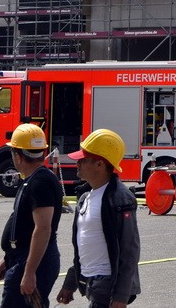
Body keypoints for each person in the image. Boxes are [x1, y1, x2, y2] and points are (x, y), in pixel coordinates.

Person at [57, 129, 140, 308]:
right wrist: (71, 282)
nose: (77, 163)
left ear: (100, 165)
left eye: (84, 159)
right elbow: (86, 247)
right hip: (92, 285)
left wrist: (121, 297)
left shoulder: (120, 199)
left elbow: (129, 251)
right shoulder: (85, 198)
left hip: (107, 286)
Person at [0, 123, 63, 308]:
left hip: (33, 261)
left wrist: (30, 272)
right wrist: (8, 259)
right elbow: (24, 225)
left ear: (18, 155)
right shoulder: (32, 179)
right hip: (23, 258)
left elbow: (43, 228)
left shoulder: (40, 182)